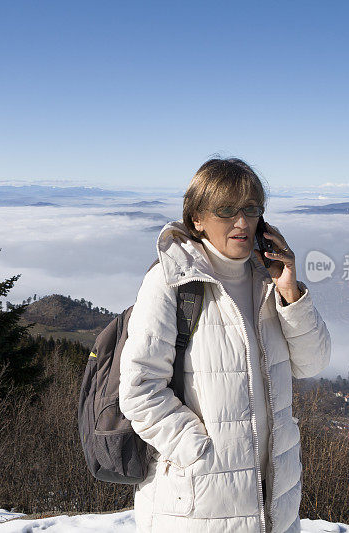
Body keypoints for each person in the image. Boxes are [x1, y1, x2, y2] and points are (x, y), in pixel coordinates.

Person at [119, 158, 331, 533]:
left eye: (251, 209)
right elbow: (139, 391)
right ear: (197, 217)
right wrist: (201, 454)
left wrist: (290, 290)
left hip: (274, 506)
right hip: (197, 507)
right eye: (226, 210)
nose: (242, 222)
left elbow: (313, 363)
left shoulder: (267, 281)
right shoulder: (171, 283)